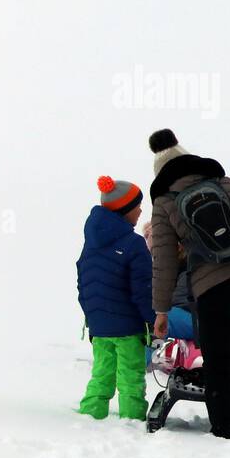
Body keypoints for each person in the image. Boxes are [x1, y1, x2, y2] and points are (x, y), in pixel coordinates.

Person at [148, 128, 230, 440]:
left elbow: (164, 260)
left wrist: (161, 311)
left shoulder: (165, 201)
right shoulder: (222, 181)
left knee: (217, 359)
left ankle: (227, 431)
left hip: (215, 283)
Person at [77, 176, 155, 420]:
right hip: (128, 327)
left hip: (99, 327)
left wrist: (92, 318)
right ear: (124, 210)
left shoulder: (90, 244)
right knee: (130, 376)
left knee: (102, 374)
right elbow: (143, 289)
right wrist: (153, 320)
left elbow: (84, 284)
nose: (141, 210)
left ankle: (90, 414)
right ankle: (132, 420)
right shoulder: (134, 243)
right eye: (137, 206)